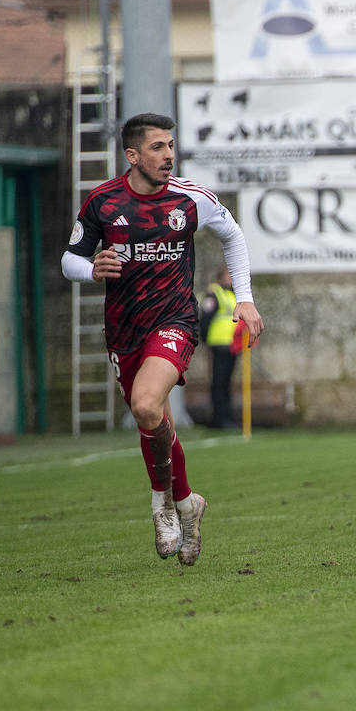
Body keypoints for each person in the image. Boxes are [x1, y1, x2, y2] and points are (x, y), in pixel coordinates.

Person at [62, 112, 263, 566]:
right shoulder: (102, 202)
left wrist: (245, 299)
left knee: (147, 405)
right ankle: (188, 503)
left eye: (171, 145)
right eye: (157, 147)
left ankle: (162, 503)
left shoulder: (191, 199)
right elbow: (68, 260)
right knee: (151, 417)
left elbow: (233, 236)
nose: (168, 155)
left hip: (174, 320)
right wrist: (92, 268)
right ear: (132, 155)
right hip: (123, 327)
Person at [198, 265, 244, 431]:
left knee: (225, 383)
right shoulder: (215, 293)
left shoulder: (231, 294)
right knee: (218, 383)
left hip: (231, 345)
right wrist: (205, 340)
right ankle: (219, 419)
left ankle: (227, 418)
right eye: (229, 276)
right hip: (218, 344)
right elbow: (205, 319)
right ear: (221, 276)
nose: (232, 279)